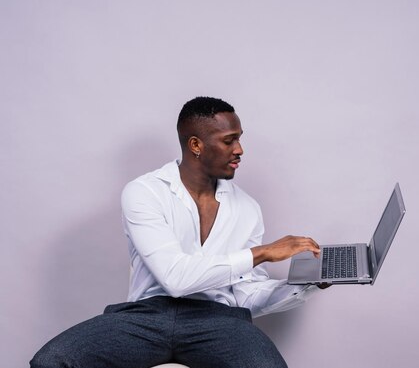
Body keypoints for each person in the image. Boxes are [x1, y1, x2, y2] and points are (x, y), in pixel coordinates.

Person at [31, 96, 325, 368]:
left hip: (218, 320)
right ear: (196, 145)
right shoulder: (144, 192)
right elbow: (175, 279)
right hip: (146, 318)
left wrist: (307, 283)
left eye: (239, 138)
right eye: (228, 140)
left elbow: (245, 295)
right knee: (52, 361)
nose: (239, 149)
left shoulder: (247, 208)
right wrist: (261, 254)